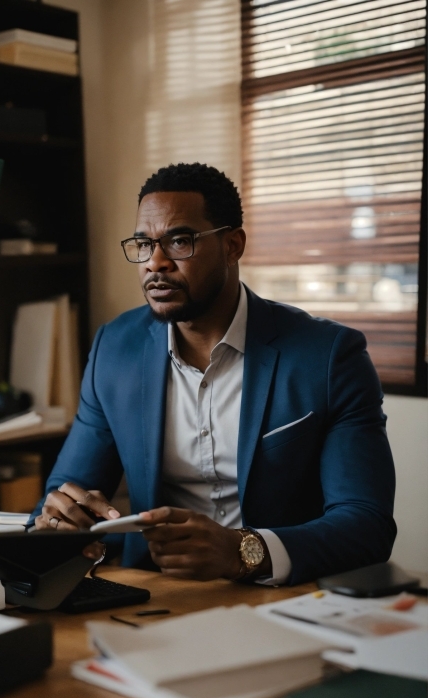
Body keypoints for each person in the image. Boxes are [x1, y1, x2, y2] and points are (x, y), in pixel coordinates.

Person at [30, 162, 396, 586]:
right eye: (144, 245)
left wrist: (242, 551)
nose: (157, 263)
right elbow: (68, 488)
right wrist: (59, 520)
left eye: (180, 241)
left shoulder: (329, 357)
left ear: (232, 245)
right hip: (157, 594)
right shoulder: (116, 348)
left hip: (285, 599)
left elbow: (366, 525)